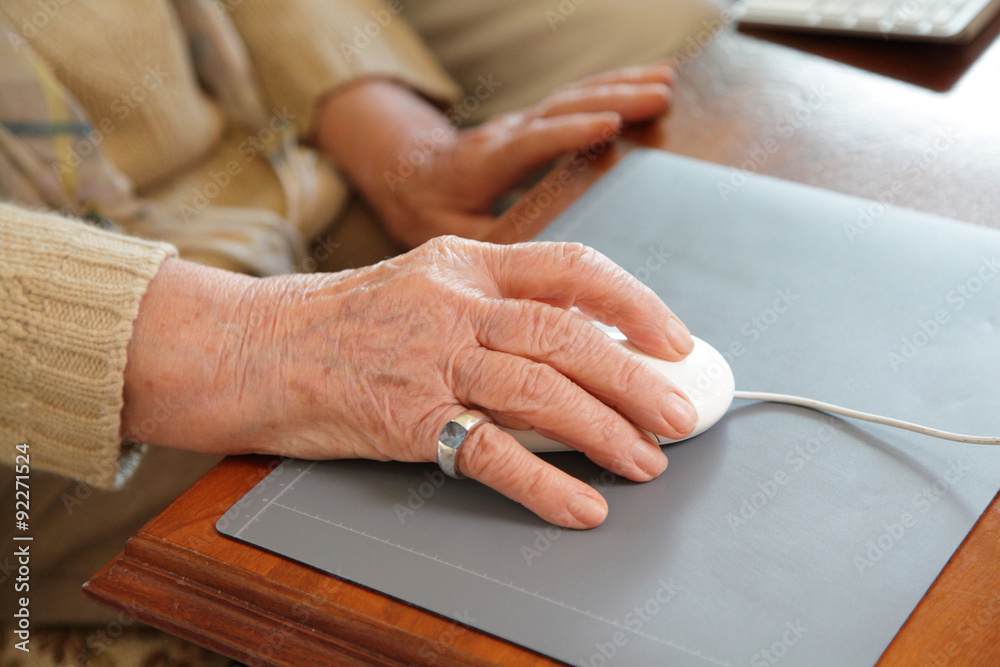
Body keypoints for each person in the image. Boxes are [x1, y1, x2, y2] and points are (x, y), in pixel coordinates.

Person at [0, 0, 721, 658]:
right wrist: (258, 344)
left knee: (672, 27)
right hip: (67, 351)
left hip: (261, 155)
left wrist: (392, 144)